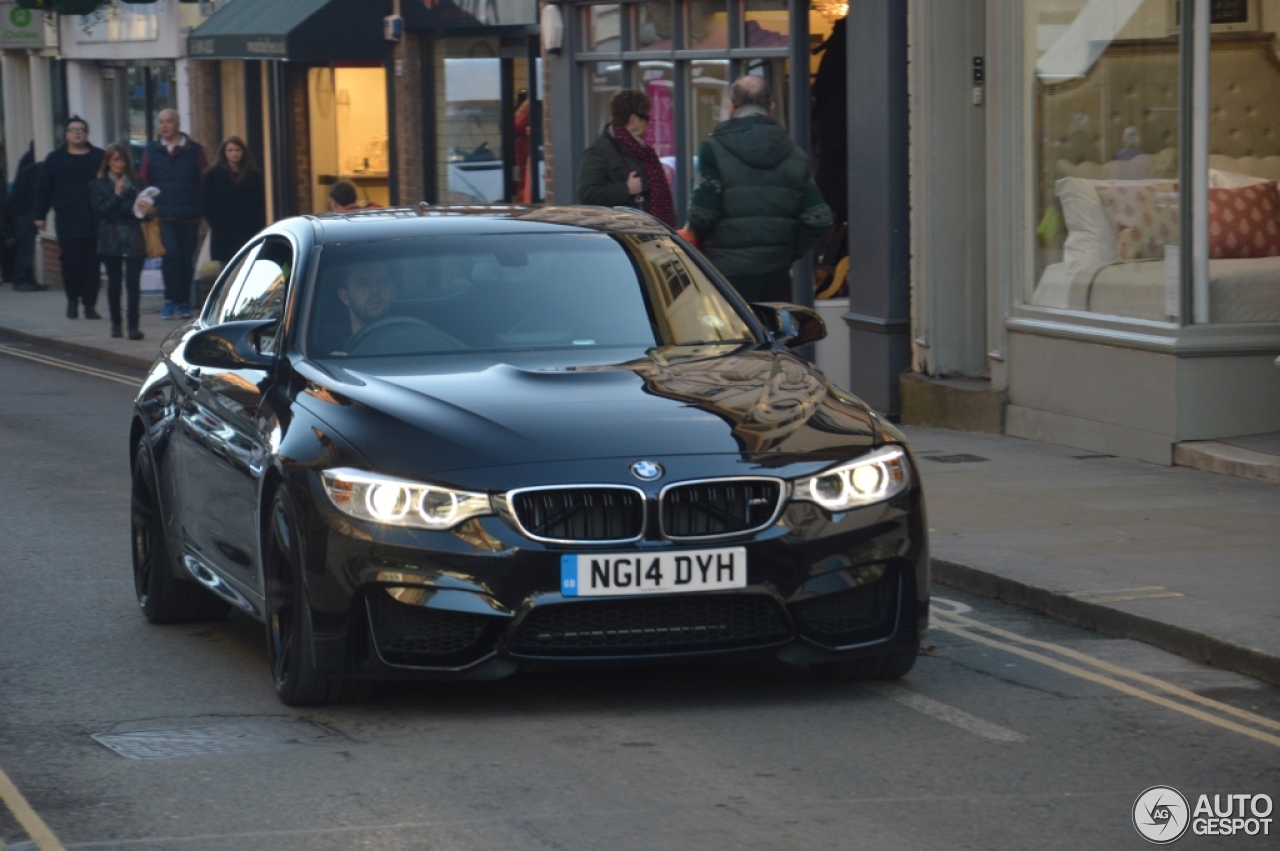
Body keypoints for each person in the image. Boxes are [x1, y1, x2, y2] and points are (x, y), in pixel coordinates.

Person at [687, 76, 832, 303]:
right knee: (773, 336)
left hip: (726, 279)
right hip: (776, 278)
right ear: (771, 108)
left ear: (731, 107)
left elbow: (701, 215)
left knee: (736, 339)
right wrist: (786, 252)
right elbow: (819, 217)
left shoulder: (713, 150)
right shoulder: (795, 155)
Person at [34, 116, 105, 318]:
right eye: (73, 130)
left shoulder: (99, 157)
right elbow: (43, 188)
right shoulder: (54, 159)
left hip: (94, 219)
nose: (77, 133)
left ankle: (90, 305)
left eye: (81, 129)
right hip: (68, 218)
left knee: (92, 264)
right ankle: (72, 300)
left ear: (87, 133)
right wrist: (40, 215)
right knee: (71, 262)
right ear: (66, 134)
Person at [139, 108, 207, 319]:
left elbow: (204, 181)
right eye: (161, 122)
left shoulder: (195, 150)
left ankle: (185, 302)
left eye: (168, 121)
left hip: (190, 214)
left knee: (186, 259)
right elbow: (143, 180)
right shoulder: (152, 150)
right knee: (170, 257)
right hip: (163, 214)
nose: (164, 126)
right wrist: (147, 205)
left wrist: (204, 208)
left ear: (178, 124)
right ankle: (171, 300)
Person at [577, 89, 677, 228]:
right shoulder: (601, 149)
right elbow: (587, 193)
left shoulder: (644, 151)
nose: (648, 124)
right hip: (622, 233)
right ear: (633, 120)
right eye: (646, 118)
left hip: (650, 230)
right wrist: (626, 189)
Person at [91, 142, 147, 340]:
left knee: (133, 284)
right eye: (115, 159)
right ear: (107, 162)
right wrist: (117, 194)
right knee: (114, 283)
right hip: (110, 237)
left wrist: (146, 210)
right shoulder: (98, 184)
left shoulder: (136, 182)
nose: (119, 163)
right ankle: (116, 323)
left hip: (133, 236)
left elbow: (142, 215)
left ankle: (133, 326)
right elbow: (100, 212)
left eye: (122, 159)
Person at [202, 135, 266, 265]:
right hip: (224, 228)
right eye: (230, 150)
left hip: (248, 227)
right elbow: (206, 201)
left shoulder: (253, 174)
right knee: (227, 266)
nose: (234, 154)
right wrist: (215, 221)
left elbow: (259, 201)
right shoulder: (213, 174)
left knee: (248, 262)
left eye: (237, 150)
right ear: (223, 153)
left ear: (243, 152)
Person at [5, 144, 46, 292]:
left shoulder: (28, 162)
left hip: (18, 210)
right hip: (24, 211)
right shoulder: (37, 169)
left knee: (25, 246)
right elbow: (36, 193)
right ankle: (21, 279)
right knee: (26, 247)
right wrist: (39, 215)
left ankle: (26, 279)